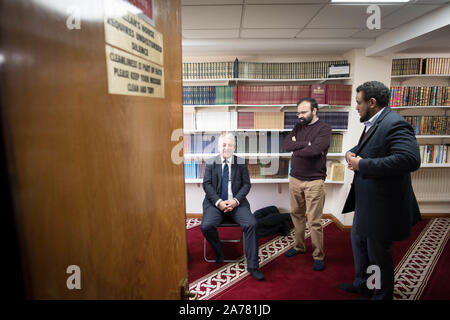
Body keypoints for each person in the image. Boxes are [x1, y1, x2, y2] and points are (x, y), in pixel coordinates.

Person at [339, 81, 421, 300]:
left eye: (358, 102)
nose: (356, 107)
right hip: (366, 203)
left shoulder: (395, 123)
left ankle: (381, 295)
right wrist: (350, 153)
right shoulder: (375, 122)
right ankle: (363, 285)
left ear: (372, 102)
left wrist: (361, 165)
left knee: (378, 256)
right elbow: (369, 149)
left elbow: (409, 159)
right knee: (360, 245)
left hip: (382, 207)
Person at [201, 133, 264, 281]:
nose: (226, 148)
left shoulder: (240, 162)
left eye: (229, 145)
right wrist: (219, 202)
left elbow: (246, 184)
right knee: (206, 226)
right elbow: (207, 185)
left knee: (251, 224)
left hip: (237, 203)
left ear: (234, 147)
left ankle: (253, 266)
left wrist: (235, 201)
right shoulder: (211, 162)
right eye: (223, 145)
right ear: (218, 146)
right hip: (215, 204)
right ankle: (219, 251)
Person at [282, 97, 331, 271]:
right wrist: (304, 144)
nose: (300, 116)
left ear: (314, 110)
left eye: (303, 112)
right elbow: (286, 144)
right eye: (298, 112)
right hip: (295, 178)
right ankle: (299, 246)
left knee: (314, 220)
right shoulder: (298, 126)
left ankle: (318, 255)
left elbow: (315, 150)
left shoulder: (324, 129)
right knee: (296, 215)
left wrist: (298, 147)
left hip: (314, 181)